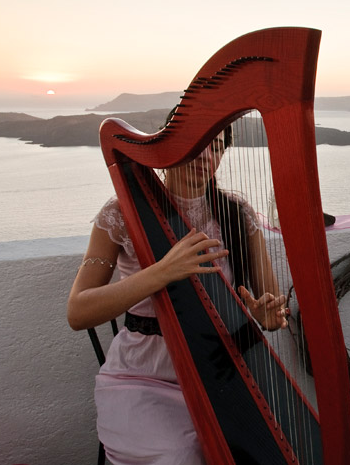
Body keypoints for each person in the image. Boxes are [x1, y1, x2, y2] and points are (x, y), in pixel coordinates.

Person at [67, 126, 288, 464]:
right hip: (141, 378)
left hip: (219, 376)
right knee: (180, 455)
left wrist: (265, 317)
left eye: (216, 148)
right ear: (169, 150)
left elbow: (269, 306)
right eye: (199, 144)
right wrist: (164, 271)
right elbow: (78, 312)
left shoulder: (236, 213)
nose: (207, 156)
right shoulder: (121, 214)